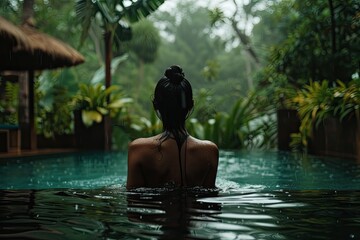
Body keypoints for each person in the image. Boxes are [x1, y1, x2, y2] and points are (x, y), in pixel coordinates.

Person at [126, 65, 218, 189]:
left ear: (155, 105)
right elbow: (209, 202)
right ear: (191, 105)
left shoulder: (138, 150)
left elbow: (133, 202)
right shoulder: (209, 152)